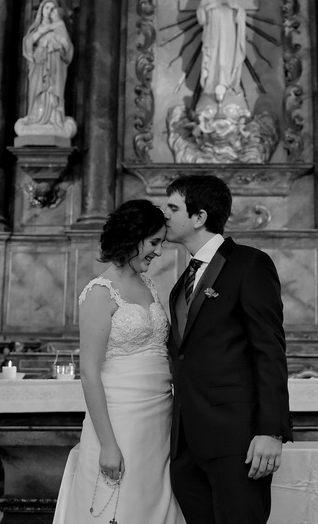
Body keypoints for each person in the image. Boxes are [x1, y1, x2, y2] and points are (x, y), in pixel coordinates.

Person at [163, 175, 292, 524]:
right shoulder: (182, 281)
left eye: (173, 208)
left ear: (199, 217)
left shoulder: (249, 264)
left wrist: (271, 430)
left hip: (236, 437)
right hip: (187, 440)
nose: (165, 215)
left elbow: (269, 350)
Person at [53, 199, 185, 524]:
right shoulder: (100, 292)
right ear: (132, 237)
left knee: (153, 503)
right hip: (120, 420)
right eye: (154, 242)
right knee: (119, 506)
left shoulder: (150, 286)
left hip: (159, 420)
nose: (158, 251)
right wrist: (108, 445)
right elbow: (88, 373)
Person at [15, 0, 77, 139]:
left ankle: (54, 119)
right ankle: (37, 117)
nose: (49, 11)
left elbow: (68, 50)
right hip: (39, 65)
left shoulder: (59, 27)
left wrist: (60, 44)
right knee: (38, 91)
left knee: (53, 92)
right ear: (42, 10)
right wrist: (42, 34)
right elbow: (28, 44)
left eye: (52, 8)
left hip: (55, 67)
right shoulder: (36, 28)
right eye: (47, 8)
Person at [196, 0, 248, 107]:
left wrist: (236, 8)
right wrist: (210, 7)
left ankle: (226, 85)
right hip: (213, 35)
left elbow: (240, 14)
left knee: (227, 59)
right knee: (213, 59)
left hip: (228, 34)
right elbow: (201, 18)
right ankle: (211, 87)